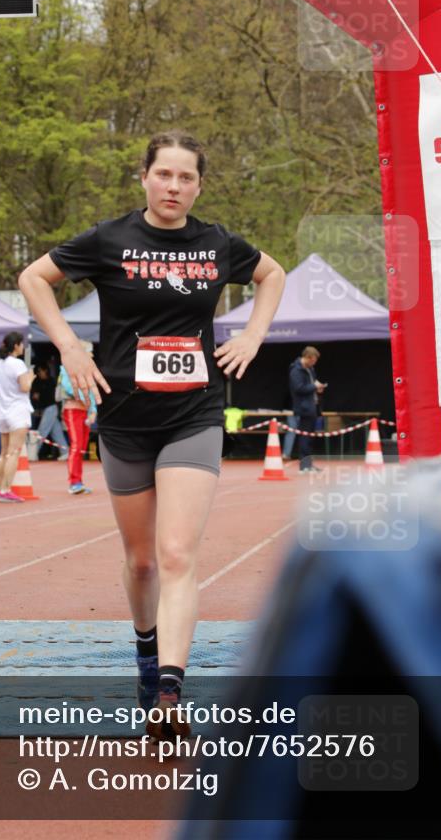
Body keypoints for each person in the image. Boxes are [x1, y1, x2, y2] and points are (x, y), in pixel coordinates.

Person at [19, 129, 285, 738]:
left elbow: (273, 275)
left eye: (186, 177)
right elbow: (34, 277)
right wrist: (68, 348)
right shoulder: (109, 239)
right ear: (145, 177)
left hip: (193, 414)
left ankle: (170, 690)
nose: (174, 186)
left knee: (176, 554)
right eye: (164, 174)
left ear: (199, 185)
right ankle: (146, 650)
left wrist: (251, 335)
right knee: (141, 563)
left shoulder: (218, 243)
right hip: (123, 418)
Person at [0, 331, 34, 502]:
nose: (23, 347)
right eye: (21, 344)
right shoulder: (18, 364)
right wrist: (30, 379)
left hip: (3, 411)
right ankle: (5, 489)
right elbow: (25, 387)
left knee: (4, 452)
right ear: (16, 345)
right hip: (17, 410)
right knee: (14, 452)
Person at [58, 342, 97, 494]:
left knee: (81, 447)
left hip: (84, 411)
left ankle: (78, 481)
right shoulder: (66, 369)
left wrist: (93, 411)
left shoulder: (88, 370)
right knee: (76, 445)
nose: (92, 355)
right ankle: (74, 482)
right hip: (73, 410)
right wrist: (87, 399)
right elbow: (69, 388)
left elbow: (92, 392)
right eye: (90, 351)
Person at [288, 345, 326, 473]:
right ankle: (304, 466)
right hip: (303, 408)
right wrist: (314, 387)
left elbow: (311, 384)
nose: (314, 363)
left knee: (310, 437)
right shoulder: (296, 370)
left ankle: (308, 465)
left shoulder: (310, 369)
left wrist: (317, 387)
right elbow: (298, 388)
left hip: (312, 407)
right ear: (308, 357)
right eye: (313, 360)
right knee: (304, 437)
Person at [31, 364, 69, 461]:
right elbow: (35, 396)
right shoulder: (38, 382)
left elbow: (51, 397)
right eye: (38, 372)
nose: (39, 373)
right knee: (57, 432)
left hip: (51, 408)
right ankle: (65, 452)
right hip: (46, 409)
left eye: (40, 371)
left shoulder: (52, 381)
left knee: (42, 431)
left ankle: (33, 452)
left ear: (45, 370)